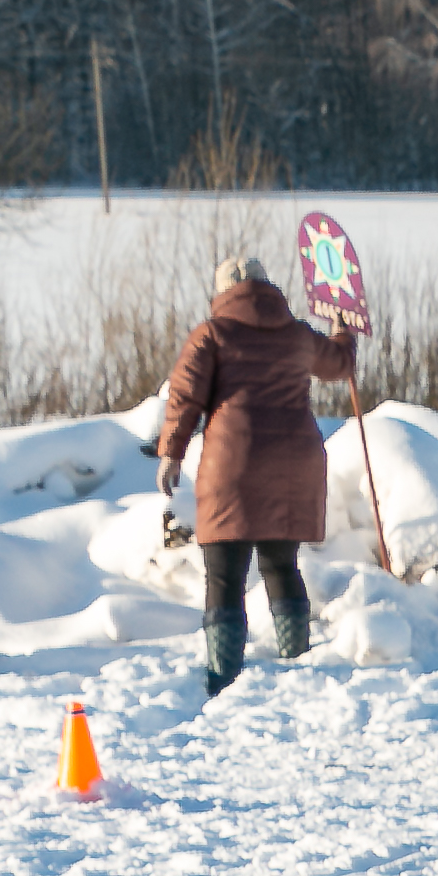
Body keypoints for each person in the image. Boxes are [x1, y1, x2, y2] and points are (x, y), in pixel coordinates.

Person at [157, 255, 359, 697]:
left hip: (234, 464)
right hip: (294, 464)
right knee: (282, 564)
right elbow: (339, 364)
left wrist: (171, 452)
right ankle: (295, 662)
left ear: (224, 291)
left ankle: (222, 674)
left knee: (225, 575)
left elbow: (186, 394)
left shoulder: (212, 334)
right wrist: (344, 330)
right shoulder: (297, 334)